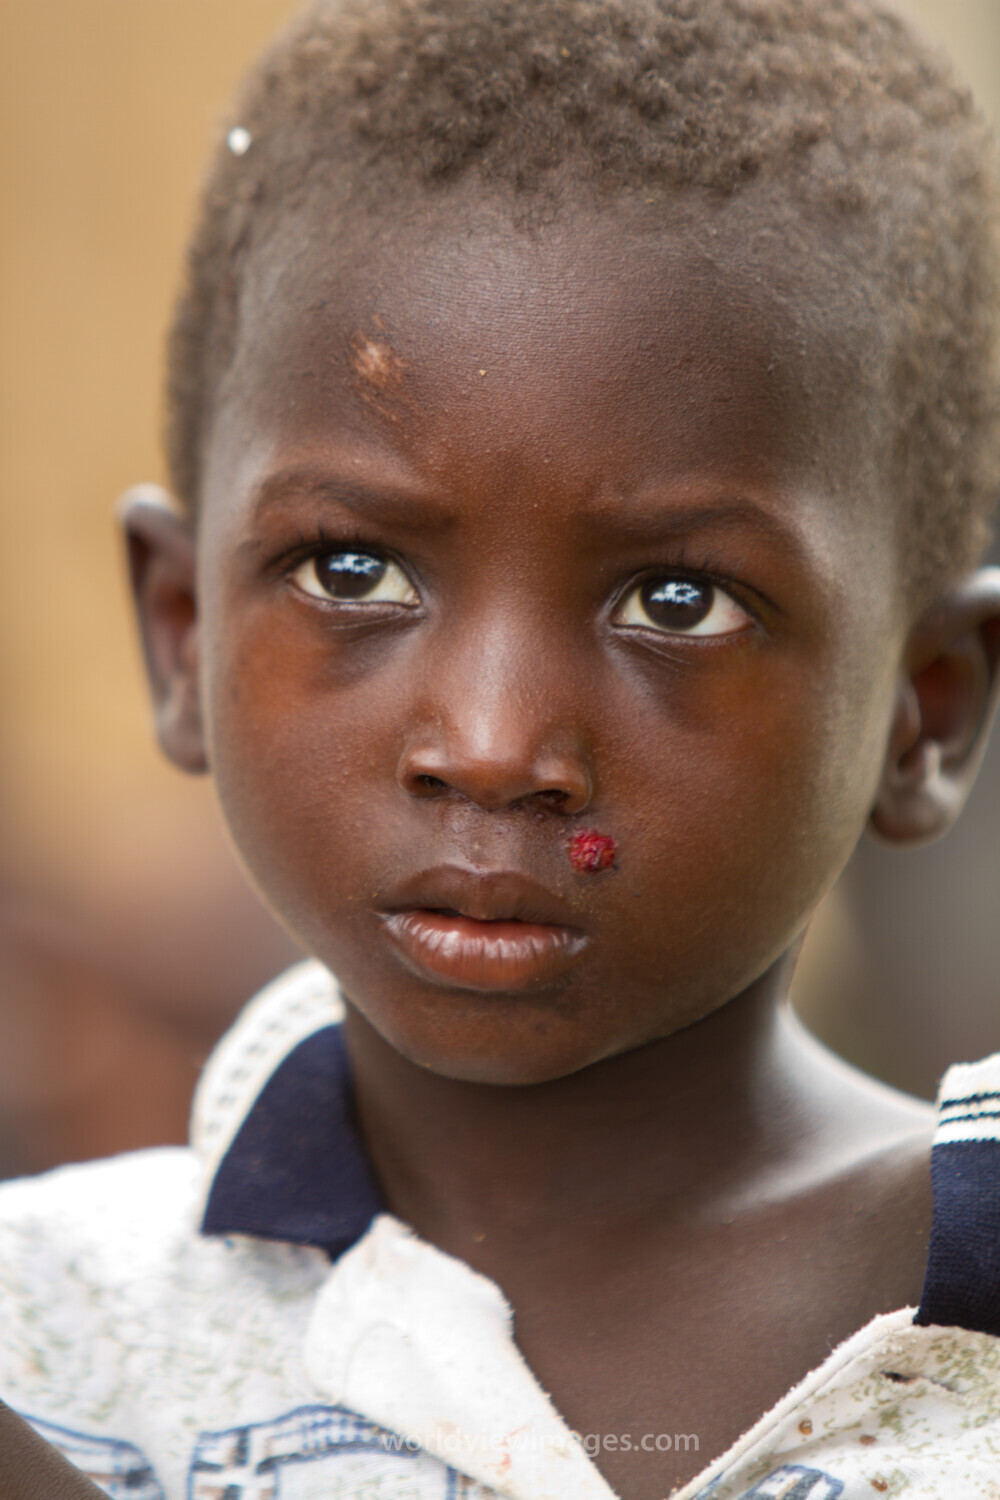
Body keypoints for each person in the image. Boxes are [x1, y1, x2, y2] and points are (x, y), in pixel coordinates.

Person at [2, 0, 1000, 1495]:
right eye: (354, 573)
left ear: (926, 708)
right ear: (184, 633)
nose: (488, 747)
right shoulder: (52, 1346)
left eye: (679, 599)